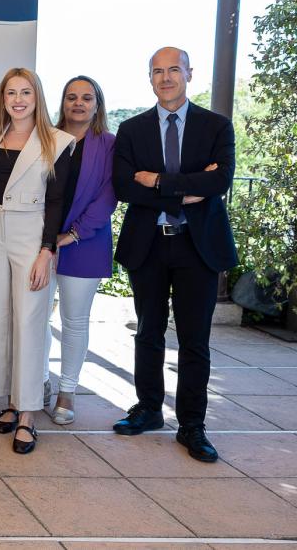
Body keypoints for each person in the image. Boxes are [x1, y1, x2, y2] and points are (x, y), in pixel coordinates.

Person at [111, 47, 235, 463]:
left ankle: (192, 425)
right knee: (148, 331)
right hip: (149, 243)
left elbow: (220, 182)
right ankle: (148, 409)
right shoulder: (131, 129)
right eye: (158, 71)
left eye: (174, 70)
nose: (166, 78)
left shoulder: (216, 126)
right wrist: (188, 188)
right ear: (150, 78)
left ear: (189, 74)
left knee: (194, 339)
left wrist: (159, 181)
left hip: (197, 247)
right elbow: (125, 187)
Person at [0, 67, 74, 454]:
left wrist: (47, 250)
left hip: (31, 233)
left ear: (37, 97)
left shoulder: (58, 142)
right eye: (11, 93)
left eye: (26, 92)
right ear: (3, 99)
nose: (18, 100)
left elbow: (57, 201)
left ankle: (29, 413)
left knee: (30, 321)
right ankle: (12, 402)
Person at [42, 76, 117, 426]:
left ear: (97, 104)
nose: (78, 103)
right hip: (41, 242)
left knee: (73, 321)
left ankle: (67, 391)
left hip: (85, 243)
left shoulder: (110, 145)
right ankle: (39, 380)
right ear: (63, 102)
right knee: (36, 318)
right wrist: (47, 237)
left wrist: (72, 235)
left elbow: (109, 196)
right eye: (71, 97)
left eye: (87, 98)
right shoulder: (46, 137)